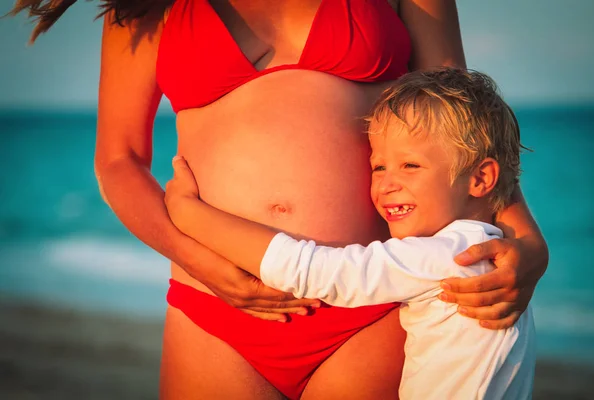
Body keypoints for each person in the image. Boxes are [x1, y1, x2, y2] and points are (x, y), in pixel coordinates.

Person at [12, 1, 548, 399]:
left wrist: (528, 239)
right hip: (214, 309)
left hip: (366, 306)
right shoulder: (143, 6)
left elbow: (464, 120)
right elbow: (118, 160)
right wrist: (198, 258)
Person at [164, 68, 537, 399]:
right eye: (378, 166)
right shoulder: (487, 256)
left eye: (410, 165)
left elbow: (315, 270)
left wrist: (189, 214)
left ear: (480, 178)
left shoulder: (452, 257)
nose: (387, 184)